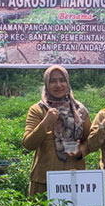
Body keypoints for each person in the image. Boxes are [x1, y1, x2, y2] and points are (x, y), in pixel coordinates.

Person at [23, 65, 91, 196]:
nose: (58, 85)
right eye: (52, 81)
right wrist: (46, 122)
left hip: (74, 178)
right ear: (46, 84)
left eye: (62, 80)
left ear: (68, 82)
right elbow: (28, 144)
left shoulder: (79, 110)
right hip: (44, 180)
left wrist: (80, 151)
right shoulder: (38, 110)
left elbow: (89, 141)